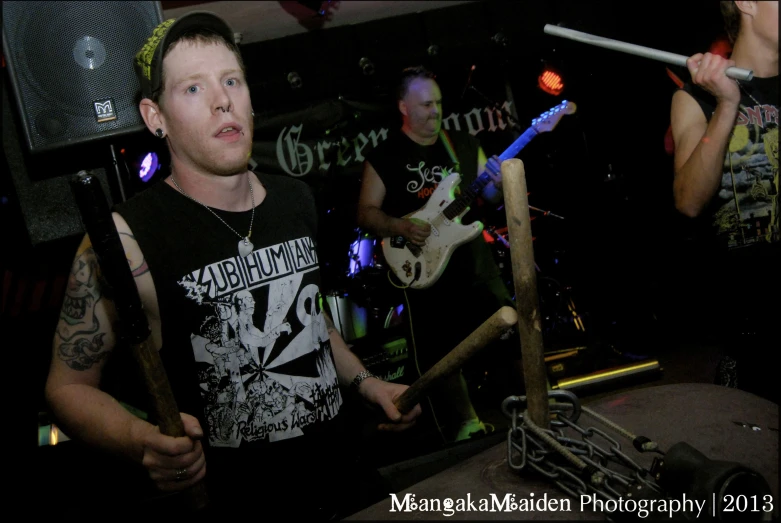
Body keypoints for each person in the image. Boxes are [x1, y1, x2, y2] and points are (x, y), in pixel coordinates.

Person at [44, 11, 421, 519]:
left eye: (231, 80)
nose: (223, 99)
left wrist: (365, 383)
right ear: (156, 118)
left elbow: (309, 319)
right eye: (194, 89)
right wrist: (140, 440)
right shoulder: (123, 240)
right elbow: (66, 387)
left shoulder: (295, 199)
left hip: (347, 483)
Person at [357, 66, 524, 443]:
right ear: (403, 107)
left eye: (439, 102)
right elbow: (366, 212)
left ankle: (528, 411)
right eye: (426, 104)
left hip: (475, 265)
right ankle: (465, 426)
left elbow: (491, 198)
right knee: (443, 354)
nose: (435, 110)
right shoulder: (385, 156)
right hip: (425, 271)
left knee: (508, 333)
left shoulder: (462, 143)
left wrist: (497, 182)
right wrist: (399, 227)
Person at [670, 1, 778, 403]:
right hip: (754, 333)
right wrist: (728, 104)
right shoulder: (695, 98)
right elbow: (688, 201)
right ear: (746, 2)